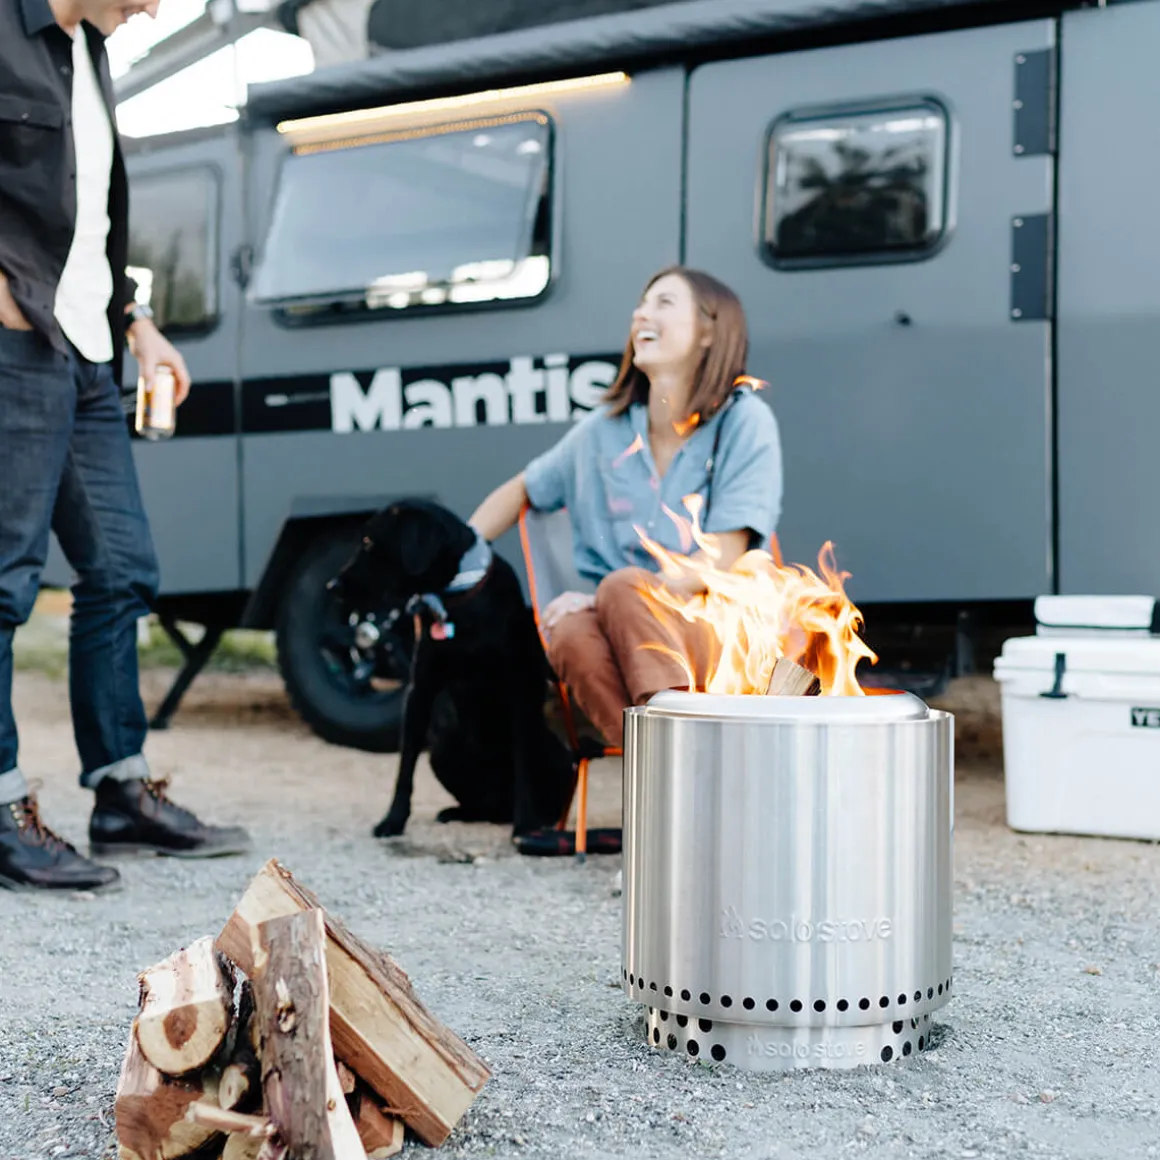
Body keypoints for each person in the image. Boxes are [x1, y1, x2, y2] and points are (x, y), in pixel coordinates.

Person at [0, 0, 252, 893]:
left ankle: (119, 792)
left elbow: (88, 223)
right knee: (5, 582)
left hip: (90, 352)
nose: (152, 7)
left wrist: (138, 323)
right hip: (17, 346)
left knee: (122, 568)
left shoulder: (90, 53)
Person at [469, 266, 783, 749]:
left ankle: (673, 766)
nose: (641, 314)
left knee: (618, 589)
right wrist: (458, 562)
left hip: (716, 628)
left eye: (664, 303)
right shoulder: (601, 432)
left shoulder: (744, 420)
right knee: (569, 632)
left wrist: (609, 595)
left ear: (709, 331)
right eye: (641, 305)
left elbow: (722, 556)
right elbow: (521, 490)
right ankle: (667, 766)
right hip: (619, 632)